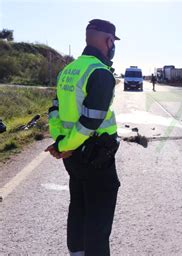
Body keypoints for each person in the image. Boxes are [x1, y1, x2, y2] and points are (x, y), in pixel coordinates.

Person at [45, 19, 121, 255]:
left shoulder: (68, 70)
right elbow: (90, 121)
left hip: (73, 157)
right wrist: (65, 145)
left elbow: (55, 111)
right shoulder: (100, 73)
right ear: (107, 41)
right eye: (112, 42)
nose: (113, 47)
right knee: (99, 217)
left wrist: (61, 144)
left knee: (78, 205)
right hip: (95, 156)